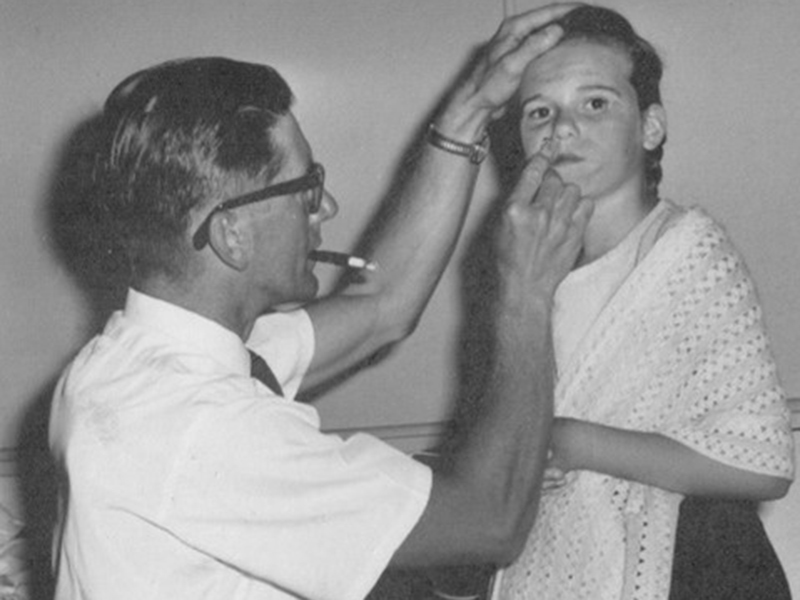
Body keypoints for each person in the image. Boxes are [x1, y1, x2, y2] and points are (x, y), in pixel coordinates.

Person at [47, 5, 594, 599]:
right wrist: (526, 294)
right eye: (306, 189)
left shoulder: (132, 361)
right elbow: (491, 524)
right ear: (232, 234)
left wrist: (470, 111)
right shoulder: (203, 428)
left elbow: (382, 306)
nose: (325, 209)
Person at [489, 5, 795, 600]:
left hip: (695, 568)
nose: (562, 128)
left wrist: (573, 442)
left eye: (595, 103)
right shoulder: (522, 269)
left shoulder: (688, 255)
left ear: (650, 127)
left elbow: (763, 458)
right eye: (539, 112)